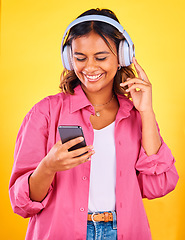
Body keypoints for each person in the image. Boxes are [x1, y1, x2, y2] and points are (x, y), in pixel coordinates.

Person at [9, 8, 179, 240]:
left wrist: (147, 112)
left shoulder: (135, 115)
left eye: (101, 57)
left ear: (122, 55)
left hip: (124, 232)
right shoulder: (45, 112)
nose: (89, 67)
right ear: (69, 58)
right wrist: (48, 167)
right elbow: (22, 203)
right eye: (80, 58)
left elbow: (158, 186)